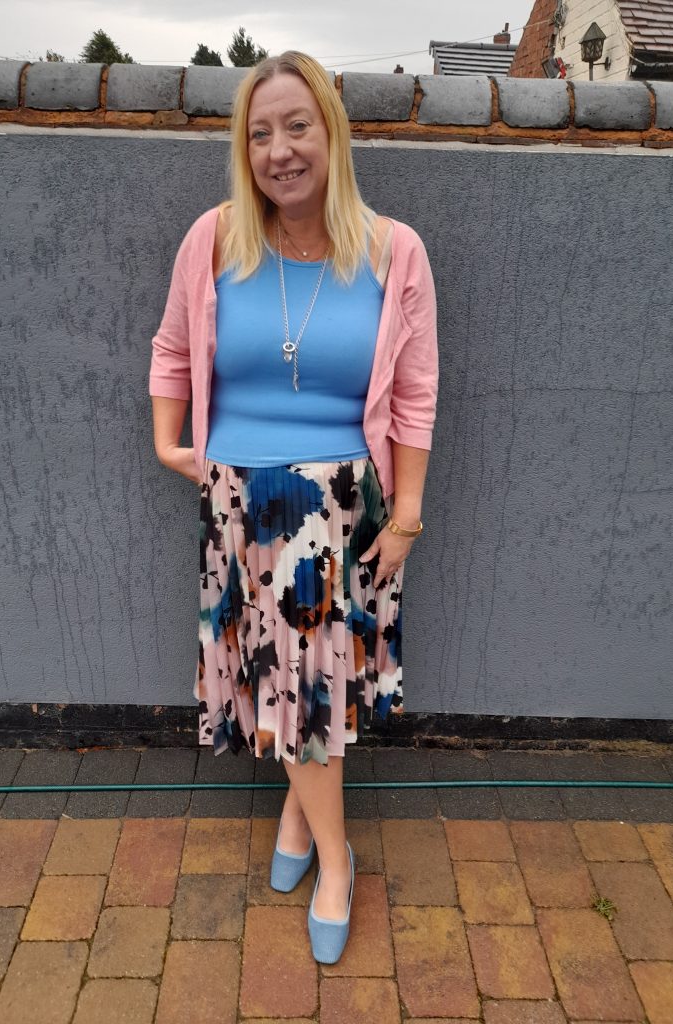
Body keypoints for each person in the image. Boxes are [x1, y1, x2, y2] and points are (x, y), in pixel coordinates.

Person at [148, 50, 438, 963]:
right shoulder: (215, 239)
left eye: (297, 126)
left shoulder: (394, 251)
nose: (280, 150)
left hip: (339, 510)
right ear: (246, 149)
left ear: (332, 134)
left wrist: (407, 516)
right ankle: (310, 828)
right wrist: (168, 442)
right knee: (294, 682)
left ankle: (331, 856)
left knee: (305, 687)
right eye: (260, 133)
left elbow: (416, 393)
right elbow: (172, 349)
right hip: (240, 503)